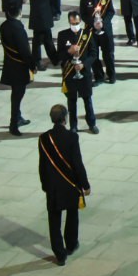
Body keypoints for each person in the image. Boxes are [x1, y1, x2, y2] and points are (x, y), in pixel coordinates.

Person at [38, 105, 90, 266]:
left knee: (54, 221)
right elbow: (77, 163)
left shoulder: (44, 138)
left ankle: (60, 254)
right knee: (72, 215)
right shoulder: (72, 137)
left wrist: (45, 185)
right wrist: (85, 184)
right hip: (70, 184)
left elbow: (42, 165)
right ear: (65, 118)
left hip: (52, 187)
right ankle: (71, 244)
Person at [0, 14, 35, 135]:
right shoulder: (18, 28)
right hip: (19, 68)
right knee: (17, 96)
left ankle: (18, 117)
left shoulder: (4, 26)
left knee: (16, 94)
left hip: (10, 64)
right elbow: (24, 49)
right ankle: (13, 124)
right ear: (19, 13)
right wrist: (32, 65)